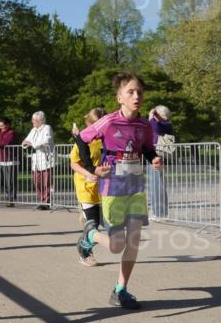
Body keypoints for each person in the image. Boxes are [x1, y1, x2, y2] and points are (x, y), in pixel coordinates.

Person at [75, 73, 162, 310]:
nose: (136, 96)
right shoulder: (109, 121)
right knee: (116, 246)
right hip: (113, 188)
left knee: (133, 240)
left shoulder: (144, 125)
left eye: (140, 92)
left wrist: (154, 158)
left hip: (135, 188)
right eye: (130, 92)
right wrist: (92, 168)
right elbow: (81, 139)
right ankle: (90, 237)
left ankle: (120, 290)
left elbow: (147, 148)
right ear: (119, 98)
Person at [69, 107, 109, 265]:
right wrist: (88, 173)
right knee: (93, 225)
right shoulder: (84, 139)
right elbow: (73, 163)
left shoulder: (108, 139)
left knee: (108, 222)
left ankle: (84, 215)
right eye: (99, 124)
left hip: (104, 186)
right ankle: (85, 252)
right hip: (85, 185)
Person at [22, 111, 55, 210]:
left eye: (33, 120)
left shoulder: (47, 128)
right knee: (37, 182)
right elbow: (25, 142)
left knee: (46, 183)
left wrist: (32, 143)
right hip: (36, 160)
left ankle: (46, 203)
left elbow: (45, 141)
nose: (32, 121)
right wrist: (27, 143)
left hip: (46, 159)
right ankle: (41, 200)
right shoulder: (33, 130)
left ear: (39, 120)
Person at [147, 105, 175, 219]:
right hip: (153, 155)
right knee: (154, 185)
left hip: (159, 155)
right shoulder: (160, 124)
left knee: (158, 184)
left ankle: (160, 213)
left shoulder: (166, 124)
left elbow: (156, 128)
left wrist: (151, 117)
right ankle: (158, 212)